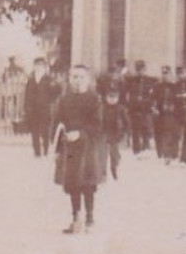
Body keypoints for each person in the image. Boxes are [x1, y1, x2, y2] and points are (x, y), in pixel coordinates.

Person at [51, 65, 107, 234]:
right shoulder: (65, 99)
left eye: (81, 77)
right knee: (72, 183)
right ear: (69, 79)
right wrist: (56, 149)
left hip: (89, 147)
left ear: (88, 80)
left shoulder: (94, 99)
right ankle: (76, 219)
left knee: (88, 184)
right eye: (74, 77)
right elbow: (58, 123)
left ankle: (90, 219)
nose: (77, 81)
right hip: (70, 147)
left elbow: (98, 124)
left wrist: (81, 134)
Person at [23, 57, 61, 158]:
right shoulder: (31, 80)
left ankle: (46, 149)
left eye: (41, 65)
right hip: (33, 109)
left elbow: (57, 90)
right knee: (34, 130)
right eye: (36, 65)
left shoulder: (48, 79)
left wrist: (49, 100)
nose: (38, 67)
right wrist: (26, 108)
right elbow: (27, 95)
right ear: (34, 67)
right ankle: (37, 152)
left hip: (44, 108)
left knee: (45, 130)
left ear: (44, 67)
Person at [123, 60, 154, 155]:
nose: (140, 72)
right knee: (135, 128)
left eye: (142, 70)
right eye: (138, 70)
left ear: (145, 69)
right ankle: (136, 150)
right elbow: (125, 90)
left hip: (145, 108)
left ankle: (146, 146)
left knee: (146, 127)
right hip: (134, 107)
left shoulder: (150, 80)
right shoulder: (131, 80)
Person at [101, 86, 128, 181]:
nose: (111, 99)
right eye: (110, 97)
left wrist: (124, 133)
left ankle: (114, 168)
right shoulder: (102, 108)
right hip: (104, 133)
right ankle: (102, 172)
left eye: (114, 97)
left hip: (115, 134)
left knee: (114, 153)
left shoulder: (121, 109)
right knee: (102, 154)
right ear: (106, 97)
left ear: (117, 98)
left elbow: (126, 122)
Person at [152, 66, 177, 161]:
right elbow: (152, 98)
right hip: (160, 113)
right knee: (158, 133)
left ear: (171, 74)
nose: (165, 76)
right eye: (163, 74)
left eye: (167, 73)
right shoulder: (157, 86)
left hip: (171, 113)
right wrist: (154, 108)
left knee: (170, 133)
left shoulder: (174, 86)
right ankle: (160, 153)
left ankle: (170, 153)